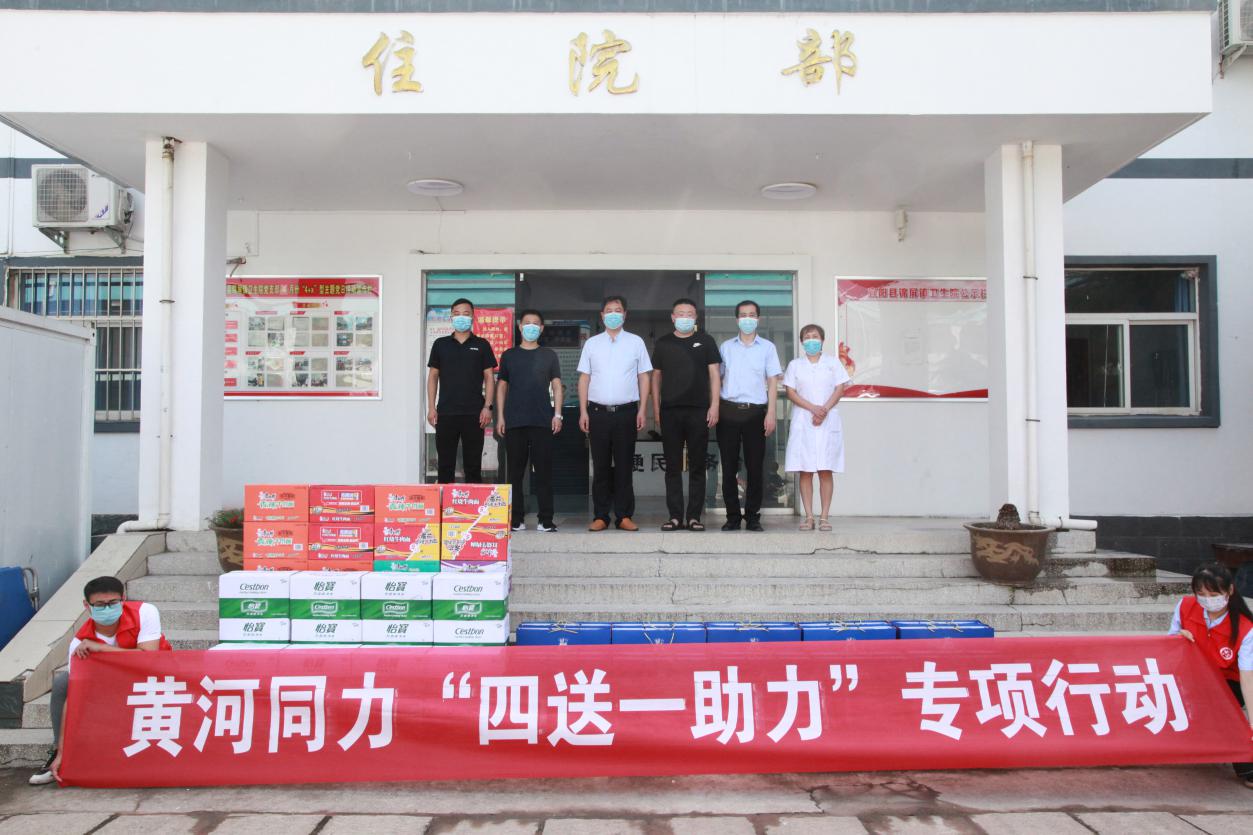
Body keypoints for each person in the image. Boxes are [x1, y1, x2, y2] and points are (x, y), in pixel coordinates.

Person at [29, 576, 171, 786]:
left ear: (123, 599)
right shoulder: (79, 643)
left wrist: (102, 649)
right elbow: (74, 696)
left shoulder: (145, 612)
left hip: (152, 677)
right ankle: (59, 755)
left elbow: (149, 658)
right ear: (87, 606)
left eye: (113, 603)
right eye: (100, 605)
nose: (107, 609)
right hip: (111, 685)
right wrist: (62, 750)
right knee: (63, 683)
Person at [1168, 562, 1253, 788]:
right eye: (1201, 594)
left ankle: (1247, 767)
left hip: (1228, 682)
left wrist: (1252, 721)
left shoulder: (1245, 628)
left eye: (1214, 595)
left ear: (1230, 591)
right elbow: (1168, 646)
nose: (1207, 600)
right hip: (1192, 675)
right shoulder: (1185, 607)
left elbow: (1248, 678)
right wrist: (1179, 639)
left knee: (1226, 712)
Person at [577, 295, 652, 532]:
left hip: (626, 412)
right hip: (597, 412)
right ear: (602, 315)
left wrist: (643, 409)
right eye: (609, 310)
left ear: (625, 314)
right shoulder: (592, 344)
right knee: (600, 466)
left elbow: (644, 377)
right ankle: (601, 516)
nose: (613, 314)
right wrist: (583, 411)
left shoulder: (636, 342)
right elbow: (584, 378)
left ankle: (624, 516)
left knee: (624, 465)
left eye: (617, 310)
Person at [651, 298, 720, 532]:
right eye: (680, 314)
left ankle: (693, 517)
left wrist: (714, 405)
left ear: (695, 318)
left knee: (698, 465)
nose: (685, 318)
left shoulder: (706, 341)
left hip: (699, 410)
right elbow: (656, 377)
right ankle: (675, 516)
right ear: (672, 317)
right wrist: (656, 408)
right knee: (672, 466)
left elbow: (714, 375)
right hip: (670, 411)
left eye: (689, 314)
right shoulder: (663, 343)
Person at [717, 299, 782, 532]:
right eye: (743, 315)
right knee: (729, 467)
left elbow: (773, 382)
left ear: (758, 319)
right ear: (737, 320)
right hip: (728, 412)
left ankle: (753, 516)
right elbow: (717, 379)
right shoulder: (726, 347)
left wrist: (771, 413)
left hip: (756, 414)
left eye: (752, 315)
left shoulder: (768, 348)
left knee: (756, 467)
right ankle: (732, 517)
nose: (747, 319)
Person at [496, 309, 564, 532]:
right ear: (520, 326)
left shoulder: (549, 355)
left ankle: (546, 520)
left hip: (542, 421)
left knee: (544, 472)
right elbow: (502, 386)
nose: (531, 327)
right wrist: (501, 416)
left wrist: (558, 414)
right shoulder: (509, 355)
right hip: (514, 421)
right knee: (515, 473)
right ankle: (516, 519)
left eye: (536, 324)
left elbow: (557, 386)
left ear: (542, 328)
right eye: (527, 323)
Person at [783, 324, 851, 532]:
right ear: (802, 342)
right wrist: (813, 409)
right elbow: (791, 392)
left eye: (815, 336)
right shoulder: (795, 365)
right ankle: (809, 516)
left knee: (825, 469)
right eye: (807, 337)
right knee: (805, 470)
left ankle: (824, 517)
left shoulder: (833, 363)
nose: (811, 340)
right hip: (804, 419)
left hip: (827, 420)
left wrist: (824, 410)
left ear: (822, 340)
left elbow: (840, 388)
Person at [426, 298, 497, 483]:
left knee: (473, 466)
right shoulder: (440, 344)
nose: (461, 317)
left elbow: (489, 378)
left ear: (473, 317)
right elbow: (433, 377)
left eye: (466, 314)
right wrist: (431, 408)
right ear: (451, 317)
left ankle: (473, 501)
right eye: (457, 314)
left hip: (475, 413)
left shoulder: (482, 344)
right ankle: (444, 501)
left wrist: (487, 407)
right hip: (446, 412)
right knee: (445, 465)